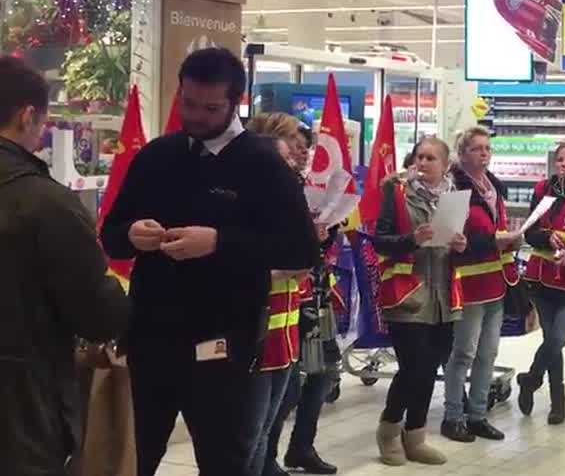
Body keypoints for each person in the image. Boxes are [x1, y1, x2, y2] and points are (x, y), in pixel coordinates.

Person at [101, 48, 318, 476]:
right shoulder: (156, 156)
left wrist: (219, 242)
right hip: (150, 337)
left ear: (235, 101)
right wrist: (130, 235)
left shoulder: (261, 164)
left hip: (223, 344)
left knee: (224, 461)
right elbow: (111, 234)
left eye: (210, 107)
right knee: (132, 457)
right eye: (188, 102)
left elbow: (300, 249)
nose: (196, 115)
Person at [0, 56, 130, 474]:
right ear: (27, 116)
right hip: (22, 412)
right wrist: (125, 285)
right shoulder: (47, 204)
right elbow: (98, 316)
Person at [373, 136, 466, 466]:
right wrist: (412, 239)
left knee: (430, 368)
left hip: (444, 297)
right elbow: (380, 241)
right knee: (413, 367)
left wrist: (460, 245)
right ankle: (388, 429)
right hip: (407, 295)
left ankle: (415, 435)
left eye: (430, 158)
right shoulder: (396, 193)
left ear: (445, 165)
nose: (423, 163)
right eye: (419, 157)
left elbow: (460, 244)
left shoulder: (455, 197)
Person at [263, 121, 340, 476]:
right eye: (296, 142)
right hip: (283, 297)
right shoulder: (270, 184)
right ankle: (265, 457)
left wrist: (323, 231)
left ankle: (301, 446)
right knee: (285, 385)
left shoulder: (305, 184)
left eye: (306, 144)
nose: (303, 149)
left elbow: (319, 245)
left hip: (315, 288)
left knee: (323, 372)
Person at [442, 127, 520, 443]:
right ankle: (453, 416)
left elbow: (497, 228)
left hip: (495, 281)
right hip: (468, 281)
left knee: (488, 352)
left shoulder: (493, 187)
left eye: (487, 148)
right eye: (476, 148)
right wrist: (492, 241)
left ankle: (477, 415)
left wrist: (510, 242)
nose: (484, 153)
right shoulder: (453, 189)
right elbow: (450, 238)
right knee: (464, 352)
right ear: (462, 154)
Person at [517, 141, 565, 425]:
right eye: (559, 160)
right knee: (551, 340)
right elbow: (529, 232)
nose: (563, 165)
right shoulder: (542, 190)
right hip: (541, 276)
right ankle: (557, 404)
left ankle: (530, 379)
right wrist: (547, 239)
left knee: (558, 338)